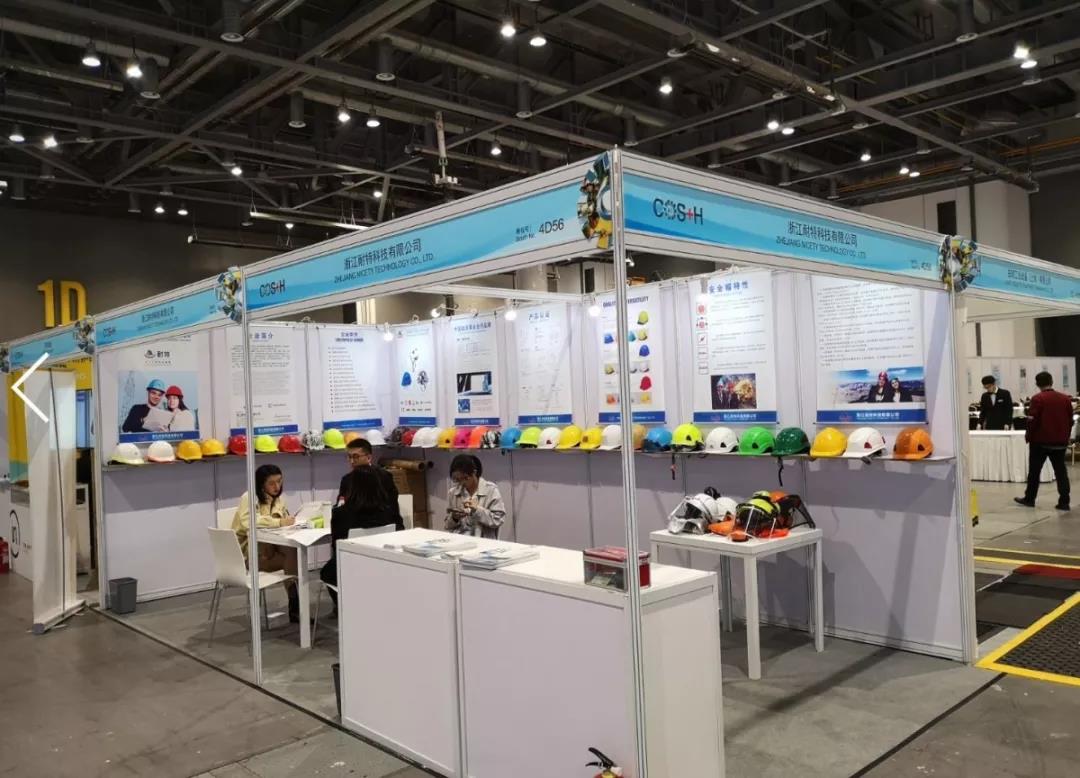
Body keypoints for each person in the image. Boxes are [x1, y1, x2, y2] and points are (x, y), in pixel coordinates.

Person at [320, 466, 404, 611]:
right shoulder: (388, 512)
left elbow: (336, 546)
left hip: (349, 569)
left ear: (352, 487)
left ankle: (342, 609)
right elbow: (400, 531)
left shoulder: (341, 514)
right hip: (383, 567)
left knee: (327, 571)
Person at [231, 464, 300, 621]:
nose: (277, 487)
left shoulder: (279, 500)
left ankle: (295, 605)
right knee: (294, 560)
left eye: (279, 481)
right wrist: (279, 522)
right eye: (272, 483)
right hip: (249, 556)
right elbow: (249, 522)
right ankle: (296, 607)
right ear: (261, 484)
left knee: (294, 553)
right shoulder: (249, 497)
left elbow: (283, 521)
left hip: (271, 551)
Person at [1015, 372, 1072, 511]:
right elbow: (1070, 420)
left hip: (1040, 442)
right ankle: (1064, 502)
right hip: (1060, 442)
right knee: (1061, 472)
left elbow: (1032, 421)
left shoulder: (1037, 398)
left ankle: (1030, 499)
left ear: (1037, 384)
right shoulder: (1065, 398)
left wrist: (1029, 436)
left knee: (1034, 472)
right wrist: (1065, 437)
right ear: (1052, 381)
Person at [337, 437, 402, 526]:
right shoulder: (346, 480)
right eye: (349, 457)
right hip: (355, 527)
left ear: (369, 457)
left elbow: (393, 506)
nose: (351, 461)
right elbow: (341, 504)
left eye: (356, 457)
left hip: (383, 525)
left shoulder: (384, 476)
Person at [446, 454, 506, 539]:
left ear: (474, 473)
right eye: (457, 479)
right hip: (460, 540)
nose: (462, 482)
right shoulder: (453, 493)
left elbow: (498, 520)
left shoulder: (490, 490)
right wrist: (454, 518)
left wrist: (477, 510)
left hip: (484, 541)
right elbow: (447, 526)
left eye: (465, 478)